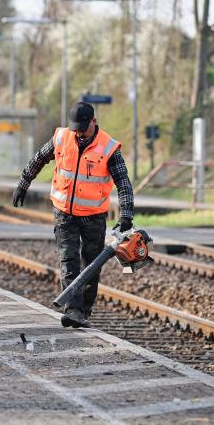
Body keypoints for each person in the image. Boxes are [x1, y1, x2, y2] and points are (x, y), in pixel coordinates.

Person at [12, 102, 134, 328]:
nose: (78, 133)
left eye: (83, 129)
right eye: (75, 128)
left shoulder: (108, 148)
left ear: (93, 122)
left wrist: (126, 215)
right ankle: (73, 310)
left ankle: (83, 311)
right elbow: (39, 158)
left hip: (93, 216)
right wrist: (23, 183)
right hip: (64, 213)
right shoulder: (62, 137)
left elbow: (124, 183)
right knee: (68, 261)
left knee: (91, 266)